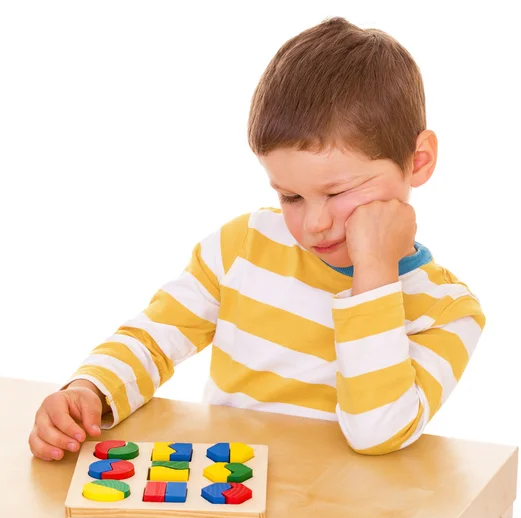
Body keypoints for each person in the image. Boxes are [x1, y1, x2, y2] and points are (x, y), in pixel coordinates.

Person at [29, 17, 485, 461]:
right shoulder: (242, 247)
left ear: (419, 161)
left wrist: (375, 273)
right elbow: (155, 338)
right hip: (228, 507)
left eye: (338, 192)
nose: (314, 225)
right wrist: (88, 388)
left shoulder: (445, 311)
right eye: (290, 196)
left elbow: (376, 431)